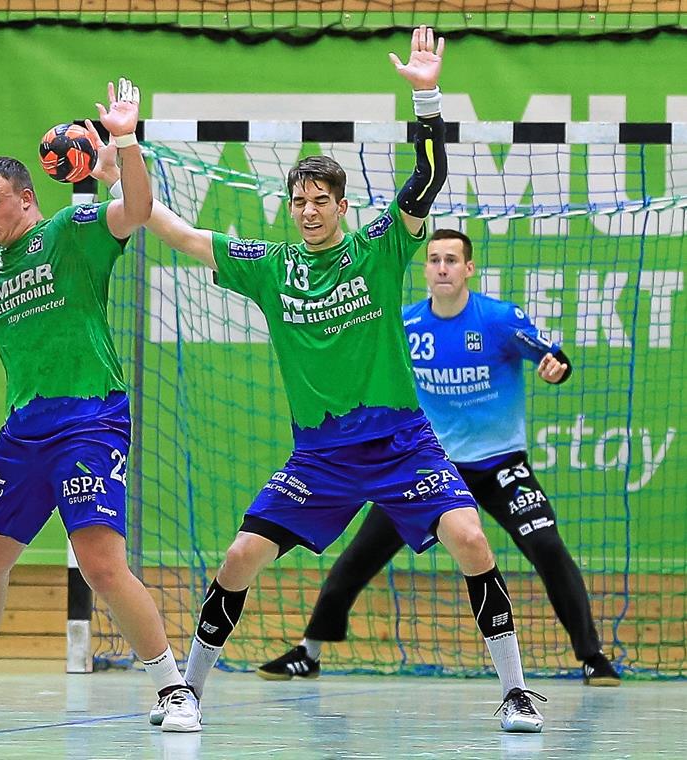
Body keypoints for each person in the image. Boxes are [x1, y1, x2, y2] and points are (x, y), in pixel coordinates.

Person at [121, 27, 546, 732]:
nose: (310, 210)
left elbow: (429, 180)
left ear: (342, 206)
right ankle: (186, 691)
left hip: (403, 444)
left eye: (322, 200)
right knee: (238, 557)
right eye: (300, 201)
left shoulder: (379, 248)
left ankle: (517, 690)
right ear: (290, 207)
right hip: (320, 456)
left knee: (472, 540)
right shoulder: (271, 264)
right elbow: (182, 234)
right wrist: (125, 163)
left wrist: (427, 97)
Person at [0, 79, 202, 732]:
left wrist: (126, 141)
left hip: (89, 419)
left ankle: (174, 691)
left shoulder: (71, 233)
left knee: (101, 561)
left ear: (27, 198)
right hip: (27, 429)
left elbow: (135, 209)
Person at [258, 228, 621, 687]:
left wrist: (556, 368)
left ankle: (593, 658)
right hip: (430, 470)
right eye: (434, 260)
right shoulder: (405, 326)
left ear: (468, 268)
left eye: (452, 260)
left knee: (547, 547)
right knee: (360, 555)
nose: (443, 268)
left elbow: (552, 356)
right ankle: (308, 652)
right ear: (424, 268)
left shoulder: (498, 319)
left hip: (500, 464)